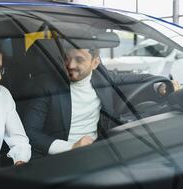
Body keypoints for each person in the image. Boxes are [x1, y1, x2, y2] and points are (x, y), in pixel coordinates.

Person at [22, 47, 180, 159]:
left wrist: (161, 86)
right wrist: (70, 148)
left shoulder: (102, 78)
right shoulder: (45, 85)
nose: (70, 65)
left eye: (79, 60)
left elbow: (136, 80)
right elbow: (30, 132)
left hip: (99, 151)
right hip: (60, 158)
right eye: (67, 58)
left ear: (95, 63)